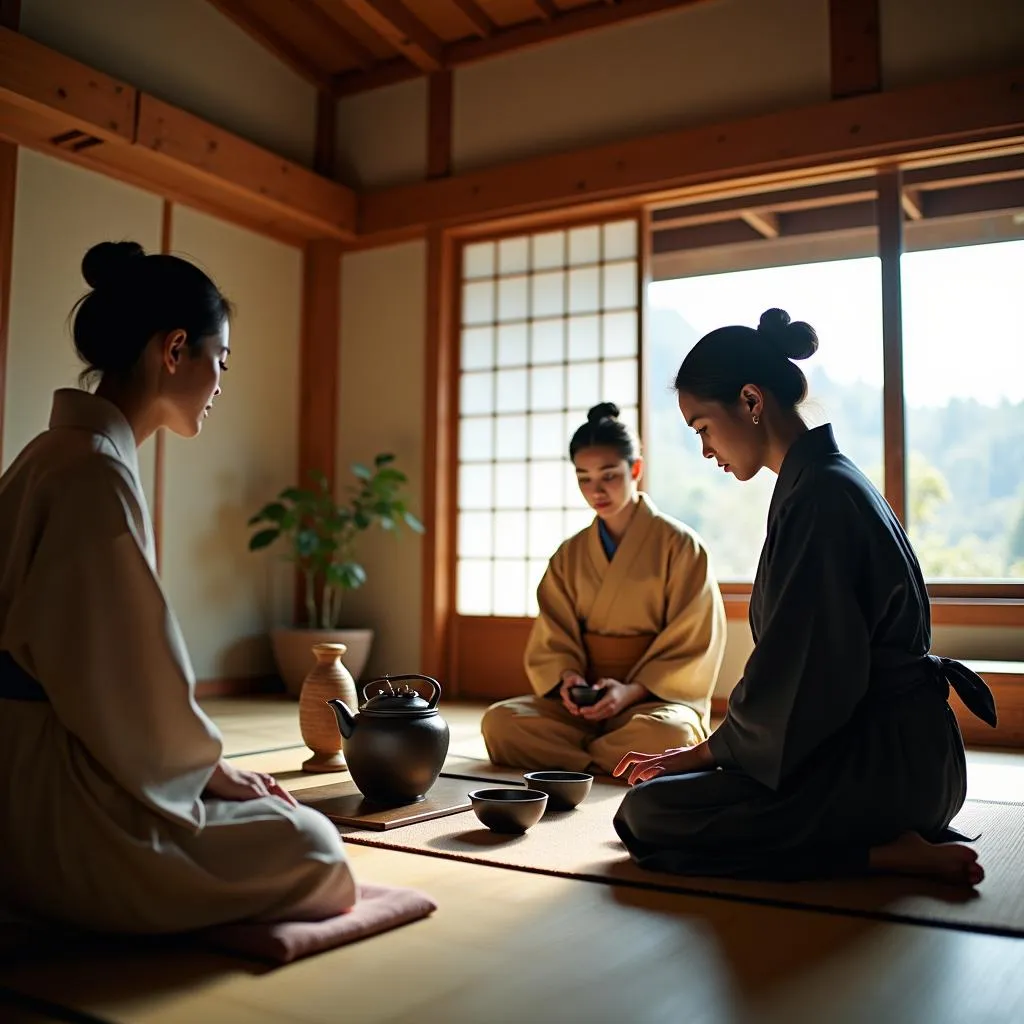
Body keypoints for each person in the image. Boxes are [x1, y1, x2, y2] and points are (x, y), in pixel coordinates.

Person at [0, 241, 357, 934]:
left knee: (286, 827)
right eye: (219, 360)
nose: (221, 382)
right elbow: (120, 685)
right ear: (173, 351)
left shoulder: (51, 457)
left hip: (23, 766)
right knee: (313, 849)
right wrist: (209, 771)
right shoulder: (93, 474)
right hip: (47, 799)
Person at [612, 308, 997, 887]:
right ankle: (874, 841)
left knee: (649, 813)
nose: (706, 451)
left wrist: (704, 754)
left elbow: (803, 682)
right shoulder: (824, 481)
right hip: (908, 757)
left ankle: (879, 853)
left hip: (886, 769)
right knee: (670, 800)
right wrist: (713, 753)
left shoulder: (819, 497)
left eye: (702, 428)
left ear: (750, 400)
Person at [482, 402, 727, 776]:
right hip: (584, 707)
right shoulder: (570, 554)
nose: (596, 490)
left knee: (671, 731)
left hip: (649, 702)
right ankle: (610, 760)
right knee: (500, 722)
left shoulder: (680, 546)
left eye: (609, 475)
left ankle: (575, 760)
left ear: (636, 470)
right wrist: (569, 679)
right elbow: (555, 637)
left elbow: (691, 640)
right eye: (584, 478)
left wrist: (630, 692)